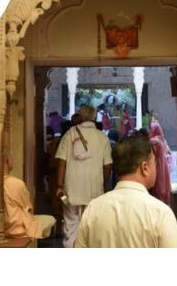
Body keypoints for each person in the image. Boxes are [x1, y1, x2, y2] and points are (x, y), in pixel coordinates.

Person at [75, 133, 177, 248]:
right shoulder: (160, 213)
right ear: (145, 167)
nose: (156, 168)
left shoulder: (92, 209)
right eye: (154, 163)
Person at [55, 105, 113, 248]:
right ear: (94, 117)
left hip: (71, 190)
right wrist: (104, 184)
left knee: (71, 225)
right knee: (92, 226)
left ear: (80, 116)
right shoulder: (102, 137)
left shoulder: (69, 134)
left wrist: (59, 185)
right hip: (94, 190)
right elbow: (107, 166)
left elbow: (61, 162)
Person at [2, 151, 56, 241]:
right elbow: (29, 209)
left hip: (2, 228)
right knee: (51, 219)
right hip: (17, 229)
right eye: (11, 159)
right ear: (7, 161)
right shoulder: (16, 183)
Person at [148, 120, 172, 206]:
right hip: (164, 167)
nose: (149, 131)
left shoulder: (153, 142)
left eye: (150, 129)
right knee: (163, 186)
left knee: (157, 187)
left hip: (157, 167)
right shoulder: (162, 140)